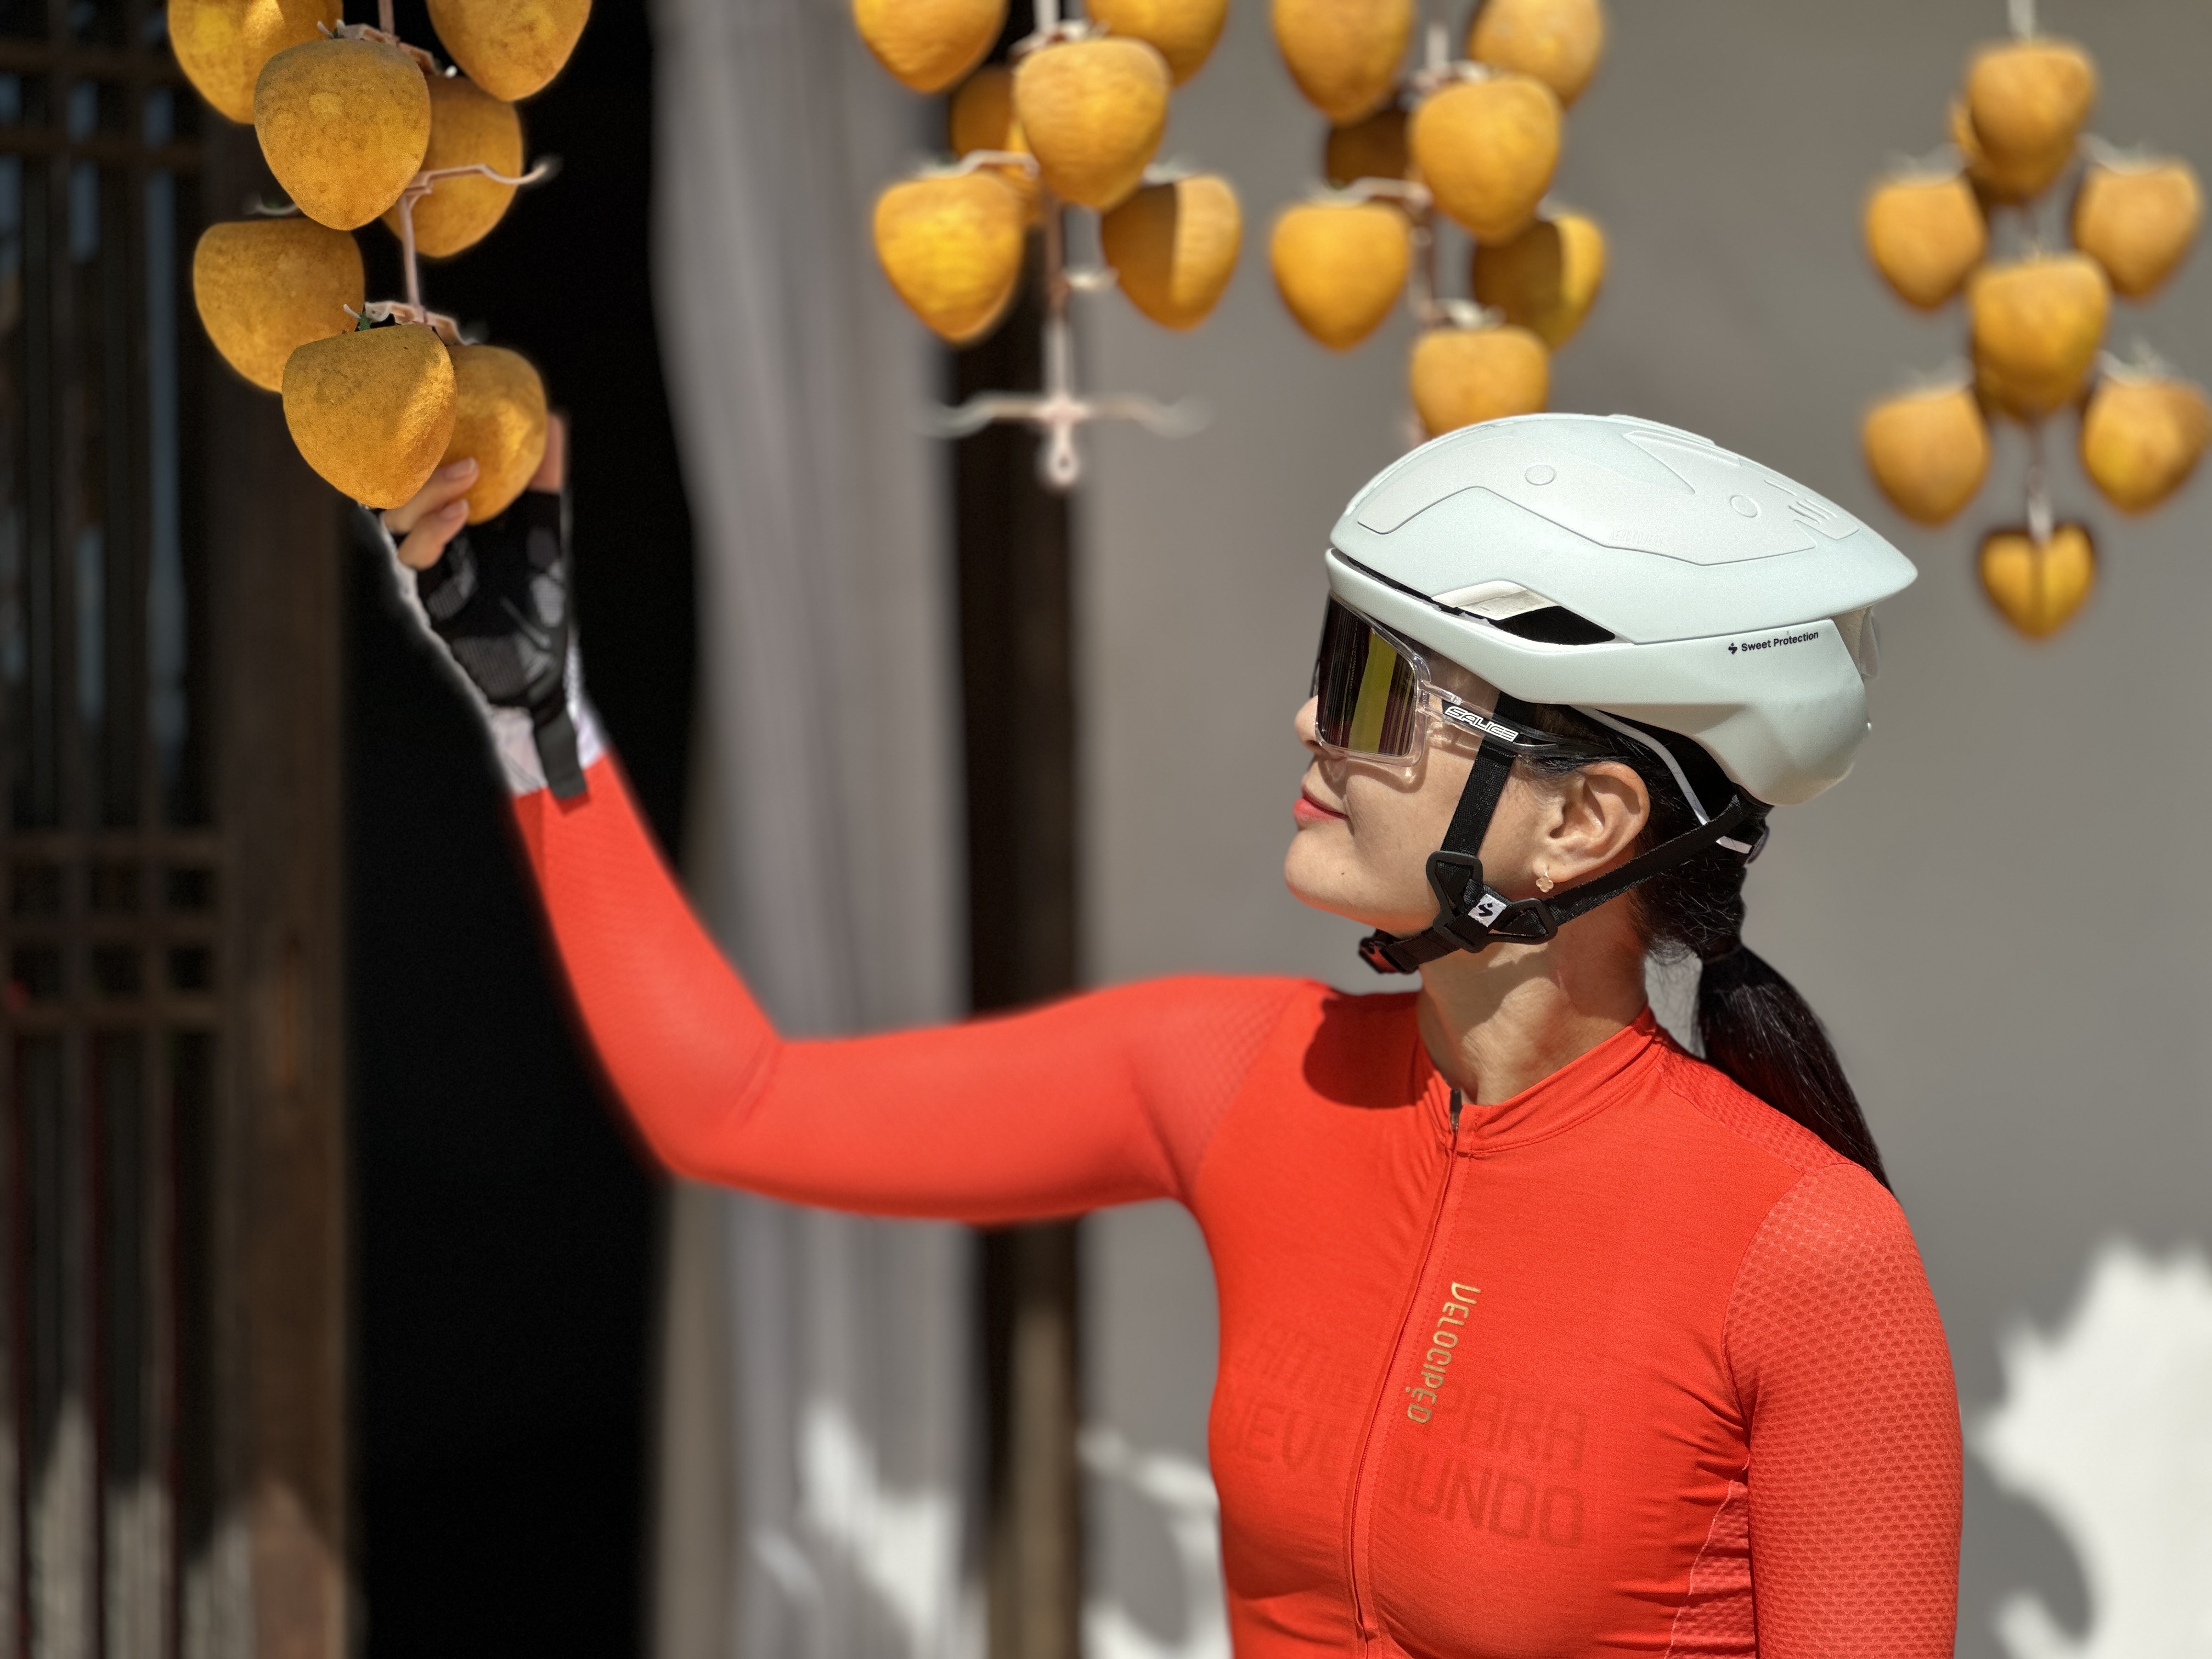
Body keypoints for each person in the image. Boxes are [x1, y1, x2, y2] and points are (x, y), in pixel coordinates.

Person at [381, 412, 1962, 1657]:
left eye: (1376, 689)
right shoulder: (1246, 1076)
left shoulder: (1810, 1255)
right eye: (1331, 658)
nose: (1311, 723)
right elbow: (733, 1103)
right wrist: (536, 716)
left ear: (1581, 822)